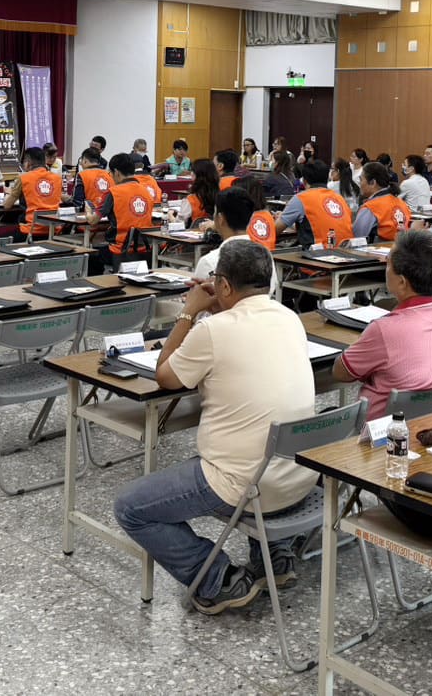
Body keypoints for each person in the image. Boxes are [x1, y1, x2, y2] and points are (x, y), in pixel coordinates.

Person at [114, 240, 316, 613]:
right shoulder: (290, 318)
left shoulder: (213, 330)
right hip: (298, 478)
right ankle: (274, 556)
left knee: (130, 507)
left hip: (245, 484)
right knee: (260, 430)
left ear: (223, 285)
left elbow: (166, 376)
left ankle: (218, 578)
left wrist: (188, 313)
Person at [334, 230, 432, 418]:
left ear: (402, 282)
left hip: (378, 430)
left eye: (388, 263)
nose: (385, 268)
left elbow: (341, 372)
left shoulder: (385, 330)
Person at [192, 187, 280, 298]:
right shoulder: (266, 256)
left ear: (220, 218)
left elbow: (197, 299)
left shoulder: (209, 261)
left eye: (214, 213)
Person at [91, 153, 156, 271]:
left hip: (120, 250)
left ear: (116, 172)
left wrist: (87, 211)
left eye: (110, 173)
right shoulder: (146, 191)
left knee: (91, 256)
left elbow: (93, 221)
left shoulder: (113, 192)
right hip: (145, 249)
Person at [276, 160, 352, 246]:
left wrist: (282, 218)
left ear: (304, 181)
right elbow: (317, 226)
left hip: (319, 251)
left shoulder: (301, 198)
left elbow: (275, 230)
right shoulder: (339, 199)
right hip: (345, 250)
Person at [3, 146, 62, 239]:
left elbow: (7, 205)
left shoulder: (23, 178)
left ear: (28, 162)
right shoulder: (57, 179)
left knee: (2, 238)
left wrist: (9, 193)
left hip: (30, 231)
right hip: (54, 230)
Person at [353, 161, 411, 243]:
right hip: (403, 248)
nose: (360, 183)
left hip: (380, 250)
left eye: (361, 179)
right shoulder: (402, 203)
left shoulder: (371, 207)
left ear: (373, 183)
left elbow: (356, 238)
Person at [184, 158, 218, 226]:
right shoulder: (220, 196)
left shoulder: (191, 199)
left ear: (197, 174)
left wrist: (170, 216)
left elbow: (180, 224)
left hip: (194, 231)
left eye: (192, 171)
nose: (191, 173)